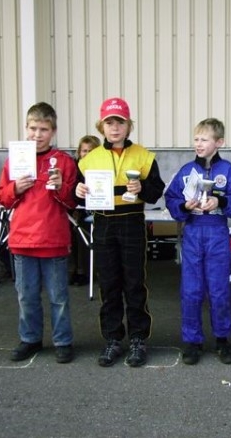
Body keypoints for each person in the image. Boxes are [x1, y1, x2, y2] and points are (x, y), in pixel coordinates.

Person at [75, 97, 165, 368]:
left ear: (129, 126)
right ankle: (113, 338)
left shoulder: (143, 156)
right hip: (103, 223)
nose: (115, 128)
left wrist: (142, 189)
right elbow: (76, 193)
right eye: (109, 123)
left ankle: (138, 338)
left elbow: (156, 192)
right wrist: (77, 191)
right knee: (109, 283)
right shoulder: (89, 160)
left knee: (134, 283)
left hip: (131, 221)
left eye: (120, 122)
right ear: (101, 126)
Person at [0, 102, 78, 364]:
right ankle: (30, 339)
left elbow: (72, 203)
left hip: (53, 239)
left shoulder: (64, 162)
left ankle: (62, 341)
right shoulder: (14, 160)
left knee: (58, 298)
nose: (37, 134)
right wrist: (15, 189)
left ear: (53, 132)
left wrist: (60, 187)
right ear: (26, 128)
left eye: (44, 129)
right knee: (26, 296)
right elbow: (2, 198)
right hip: (22, 240)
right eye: (33, 128)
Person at [165, 118, 231, 365]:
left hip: (217, 233)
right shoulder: (185, 172)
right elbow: (171, 200)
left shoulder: (229, 171)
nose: (199, 144)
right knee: (191, 291)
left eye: (204, 139)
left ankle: (222, 339)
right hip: (193, 232)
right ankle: (193, 341)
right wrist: (184, 206)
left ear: (219, 142)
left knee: (219, 290)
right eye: (196, 139)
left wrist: (220, 201)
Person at [69, 135, 101, 286]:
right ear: (79, 152)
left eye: (91, 151)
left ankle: (84, 271)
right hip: (76, 208)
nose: (87, 154)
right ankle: (75, 269)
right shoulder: (74, 168)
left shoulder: (102, 167)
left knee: (82, 230)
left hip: (95, 210)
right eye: (84, 151)